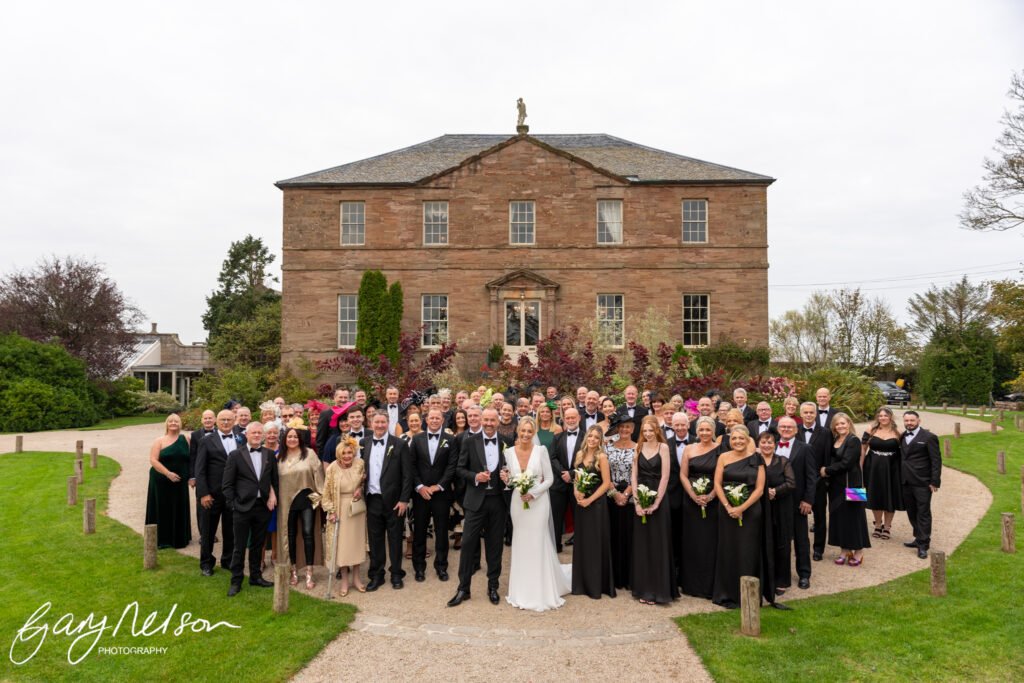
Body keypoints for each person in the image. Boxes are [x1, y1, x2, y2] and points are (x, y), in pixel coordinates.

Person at [500, 417, 571, 611]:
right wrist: (506, 480)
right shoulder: (508, 453)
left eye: (529, 432)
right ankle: (521, 590)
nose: (525, 435)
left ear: (534, 434)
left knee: (538, 541)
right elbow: (509, 482)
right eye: (522, 431)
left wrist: (534, 493)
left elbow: (549, 479)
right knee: (521, 541)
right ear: (518, 431)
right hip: (518, 503)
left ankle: (542, 589)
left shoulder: (541, 451)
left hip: (538, 502)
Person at [449, 407, 511, 607]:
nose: (489, 423)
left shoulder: (505, 442)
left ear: (498, 421)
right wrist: (475, 477)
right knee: (467, 544)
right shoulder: (469, 441)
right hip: (475, 500)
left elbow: (510, 469)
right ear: (481, 420)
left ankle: (492, 586)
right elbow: (459, 469)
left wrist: (507, 477)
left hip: (498, 501)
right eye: (486, 420)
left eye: (493, 420)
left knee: (495, 545)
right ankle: (463, 588)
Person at [712, 426, 778, 609]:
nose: (738, 442)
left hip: (750, 512)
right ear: (730, 440)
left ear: (748, 439)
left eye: (741, 438)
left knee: (748, 551)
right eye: (734, 439)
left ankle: (749, 593)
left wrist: (741, 507)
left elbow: (759, 488)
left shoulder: (757, 459)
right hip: (726, 511)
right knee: (728, 549)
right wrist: (728, 506)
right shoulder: (723, 458)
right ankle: (727, 592)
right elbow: (717, 484)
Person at [223, 422, 278, 596]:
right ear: (246, 434)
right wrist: (233, 504)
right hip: (242, 507)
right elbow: (227, 484)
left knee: (257, 544)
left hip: (262, 507)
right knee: (239, 546)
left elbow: (274, 480)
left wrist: (272, 495)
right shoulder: (235, 455)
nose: (256, 435)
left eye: (259, 433)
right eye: (253, 432)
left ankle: (255, 576)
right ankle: (236, 580)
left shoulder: (269, 454)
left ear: (263, 435)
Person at [362, 412, 412, 590]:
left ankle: (397, 573)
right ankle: (377, 575)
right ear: (371, 423)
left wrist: (404, 499)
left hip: (394, 501)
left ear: (388, 423)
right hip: (372, 498)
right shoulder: (364, 443)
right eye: (377, 422)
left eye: (383, 422)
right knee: (375, 540)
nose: (380, 425)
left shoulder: (399, 444)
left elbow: (407, 475)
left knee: (395, 538)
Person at [630, 416, 676, 605]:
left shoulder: (663, 448)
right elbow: (633, 476)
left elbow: (665, 477)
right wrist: (638, 502)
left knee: (658, 543)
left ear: (657, 430)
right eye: (645, 431)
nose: (648, 434)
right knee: (643, 545)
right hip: (641, 494)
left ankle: (659, 589)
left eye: (651, 430)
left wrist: (656, 502)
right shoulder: (637, 448)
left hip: (659, 497)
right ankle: (643, 588)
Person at [408, 408, 457, 582]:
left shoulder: (450, 440)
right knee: (420, 531)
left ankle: (441, 566)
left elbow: (452, 466)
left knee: (441, 531)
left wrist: (439, 486)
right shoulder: (417, 439)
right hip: (421, 494)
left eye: (438, 418)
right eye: (431, 418)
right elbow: (411, 465)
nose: (435, 420)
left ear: (442, 420)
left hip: (441, 494)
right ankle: (419, 567)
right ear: (426, 420)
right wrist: (420, 486)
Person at [277, 426, 325, 590]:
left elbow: (318, 475)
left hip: (306, 499)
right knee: (289, 535)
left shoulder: (309, 454)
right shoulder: (280, 457)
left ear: (300, 439)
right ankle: (293, 570)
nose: (292, 439)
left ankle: (310, 571)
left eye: (295, 437)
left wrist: (320, 498)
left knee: (308, 533)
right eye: (289, 437)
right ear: (285, 439)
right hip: (286, 502)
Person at [571, 426, 615, 599]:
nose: (592, 439)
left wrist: (590, 500)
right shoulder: (580, 455)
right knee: (583, 542)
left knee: (596, 542)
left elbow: (606, 484)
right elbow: (577, 478)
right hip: (581, 504)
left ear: (600, 440)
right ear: (586, 437)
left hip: (596, 505)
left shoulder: (602, 457)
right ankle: (582, 583)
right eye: (590, 436)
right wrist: (576, 492)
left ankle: (596, 585)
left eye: (596, 437)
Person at [821, 412, 870, 566]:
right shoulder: (836, 439)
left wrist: (826, 470)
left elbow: (847, 463)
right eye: (837, 424)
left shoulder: (854, 440)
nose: (840, 426)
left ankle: (859, 551)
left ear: (849, 423)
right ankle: (844, 550)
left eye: (843, 423)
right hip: (836, 486)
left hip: (853, 485)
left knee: (856, 518)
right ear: (834, 427)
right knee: (839, 518)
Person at [195, 410, 240, 576]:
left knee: (230, 531)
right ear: (217, 422)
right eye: (223, 420)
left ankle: (227, 560)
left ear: (234, 421)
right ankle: (206, 563)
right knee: (208, 531)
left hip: (232, 495)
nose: (226, 422)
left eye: (229, 419)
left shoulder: (240, 439)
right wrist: (203, 493)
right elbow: (199, 470)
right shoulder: (206, 441)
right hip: (212, 495)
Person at [679, 416, 720, 599]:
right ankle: (691, 584)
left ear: (713, 431)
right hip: (691, 503)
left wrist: (711, 496)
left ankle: (709, 584)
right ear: (696, 431)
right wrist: (693, 495)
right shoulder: (689, 448)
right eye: (701, 430)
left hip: (713, 502)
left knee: (709, 543)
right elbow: (683, 475)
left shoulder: (721, 450)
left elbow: (722, 476)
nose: (704, 433)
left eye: (708, 430)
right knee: (692, 542)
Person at [776, 416, 817, 590]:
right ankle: (780, 576)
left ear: (795, 430)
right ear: (778, 429)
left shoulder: (805, 448)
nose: (785, 429)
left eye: (789, 427)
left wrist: (808, 499)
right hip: (775, 501)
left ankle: (804, 574)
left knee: (801, 539)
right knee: (779, 539)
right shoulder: (769, 445)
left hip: (797, 501)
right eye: (783, 427)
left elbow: (811, 476)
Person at [323, 437, 367, 596]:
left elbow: (363, 483)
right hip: (340, 509)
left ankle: (356, 578)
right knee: (342, 547)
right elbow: (326, 494)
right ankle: (344, 581)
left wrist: (360, 489)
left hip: (356, 509)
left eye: (350, 452)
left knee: (356, 544)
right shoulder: (332, 468)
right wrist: (331, 511)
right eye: (344, 453)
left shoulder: (360, 464)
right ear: (338, 454)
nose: (347, 456)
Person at [145, 414, 192, 549]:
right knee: (162, 507)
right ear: (166, 424)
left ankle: (179, 538)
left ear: (180, 424)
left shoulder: (186, 439)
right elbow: (153, 460)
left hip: (180, 481)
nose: (173, 423)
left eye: (176, 421)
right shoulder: (159, 440)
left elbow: (191, 460)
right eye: (170, 421)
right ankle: (162, 538)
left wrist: (190, 477)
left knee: (179, 506)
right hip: (161, 479)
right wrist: (168, 473)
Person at [900, 411, 941, 559]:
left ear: (919, 420)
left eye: (912, 420)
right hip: (905, 481)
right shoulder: (902, 436)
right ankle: (918, 538)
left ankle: (923, 545)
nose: (909, 423)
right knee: (911, 511)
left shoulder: (929, 437)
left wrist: (934, 481)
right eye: (907, 420)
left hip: (922, 482)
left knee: (923, 512)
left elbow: (936, 461)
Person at [758, 431, 795, 595]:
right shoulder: (754, 461)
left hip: (780, 508)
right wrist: (764, 492)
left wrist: (775, 491)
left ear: (775, 444)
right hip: (760, 507)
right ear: (758, 444)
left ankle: (781, 580)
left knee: (781, 543)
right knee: (762, 541)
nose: (766, 445)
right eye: (763, 442)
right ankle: (764, 578)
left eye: (770, 442)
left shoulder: (782, 461)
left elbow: (791, 483)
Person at [861, 407, 904, 541]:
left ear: (890, 417)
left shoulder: (898, 433)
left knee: (890, 496)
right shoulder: (870, 430)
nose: (882, 418)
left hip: (892, 468)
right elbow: (863, 450)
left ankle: (887, 526)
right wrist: (860, 467)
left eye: (885, 415)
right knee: (875, 494)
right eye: (880, 416)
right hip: (872, 467)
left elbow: (904, 453)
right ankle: (878, 524)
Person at [605, 414, 637, 589]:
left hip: (631, 498)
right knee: (614, 535)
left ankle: (629, 577)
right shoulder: (608, 448)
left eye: (628, 427)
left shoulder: (638, 448)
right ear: (617, 428)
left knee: (629, 537)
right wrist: (615, 493)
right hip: (611, 495)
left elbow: (637, 474)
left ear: (633, 429)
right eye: (622, 427)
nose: (625, 430)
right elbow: (605, 473)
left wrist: (626, 494)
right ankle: (615, 577)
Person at [799, 401, 832, 562]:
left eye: (811, 412)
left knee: (820, 517)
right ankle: (800, 547)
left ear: (816, 414)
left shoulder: (825, 433)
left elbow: (827, 457)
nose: (809, 415)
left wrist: (824, 478)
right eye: (805, 412)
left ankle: (818, 549)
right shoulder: (795, 430)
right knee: (799, 517)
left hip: (818, 480)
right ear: (801, 414)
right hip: (798, 480)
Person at [549, 407, 583, 553]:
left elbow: (589, 460)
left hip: (579, 483)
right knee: (556, 517)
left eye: (573, 417)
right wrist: (564, 473)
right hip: (559, 483)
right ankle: (555, 545)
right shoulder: (557, 438)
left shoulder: (587, 437)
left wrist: (572, 474)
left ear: (579, 418)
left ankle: (581, 547)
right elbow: (552, 457)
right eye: (567, 418)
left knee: (580, 517)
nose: (570, 420)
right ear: (564, 419)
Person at [665, 411, 690, 588]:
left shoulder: (698, 440)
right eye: (677, 425)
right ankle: (674, 570)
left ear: (688, 425)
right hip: (672, 496)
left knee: (691, 534)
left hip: (694, 496)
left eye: (683, 424)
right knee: (673, 533)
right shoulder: (666, 444)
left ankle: (689, 570)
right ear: (672, 426)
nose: (680, 428)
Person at [188, 409, 216, 544]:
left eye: (210, 418)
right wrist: (192, 477)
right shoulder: (195, 435)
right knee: (202, 506)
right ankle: (203, 534)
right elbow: (192, 457)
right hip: (201, 475)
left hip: (217, 475)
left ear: (215, 420)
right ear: (201, 420)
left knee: (217, 505)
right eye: (205, 418)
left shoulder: (221, 433)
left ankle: (213, 533)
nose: (208, 420)